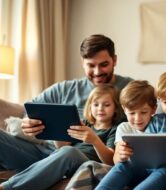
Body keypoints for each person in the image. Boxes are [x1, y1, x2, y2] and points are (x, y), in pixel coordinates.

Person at [0, 34, 133, 190]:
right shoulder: (64, 89)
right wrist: (27, 122)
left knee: (68, 153)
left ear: (114, 60)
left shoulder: (129, 89)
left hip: (73, 157)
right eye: (91, 65)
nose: (97, 72)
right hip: (42, 153)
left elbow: (148, 116)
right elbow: (28, 110)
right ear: (82, 63)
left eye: (104, 64)